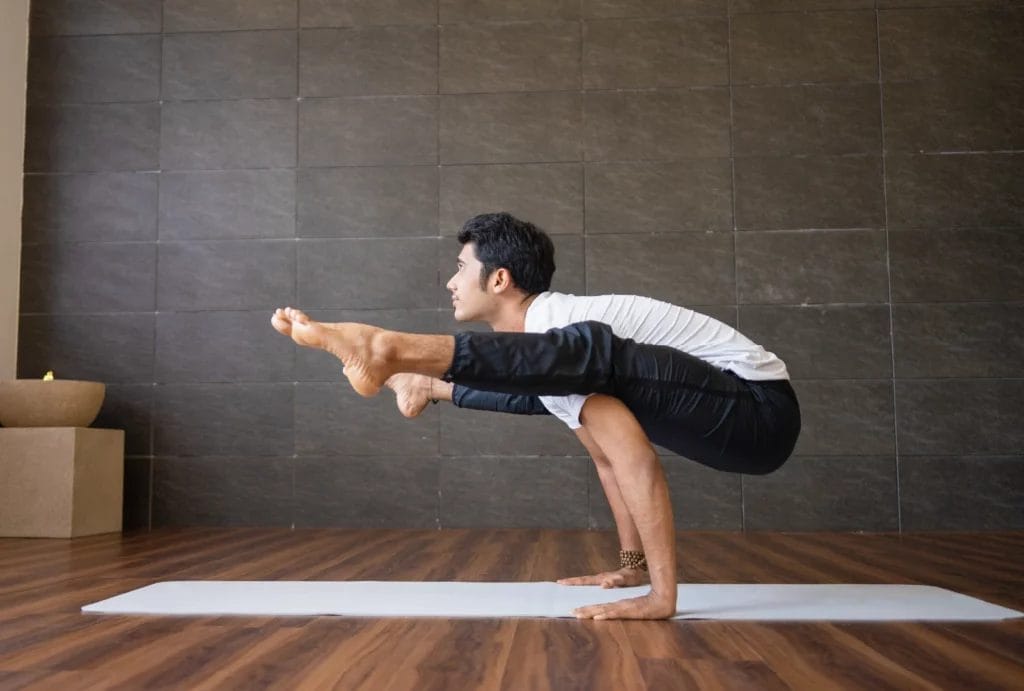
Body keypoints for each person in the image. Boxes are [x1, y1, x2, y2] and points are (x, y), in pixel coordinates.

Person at [271, 212, 800, 621]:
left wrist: (663, 598)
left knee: (572, 358)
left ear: (499, 279)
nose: (451, 282)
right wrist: (631, 568)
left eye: (461, 269)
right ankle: (422, 382)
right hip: (735, 427)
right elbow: (612, 461)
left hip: (757, 407)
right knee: (548, 385)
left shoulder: (560, 321)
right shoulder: (565, 358)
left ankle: (392, 350)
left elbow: (639, 464)